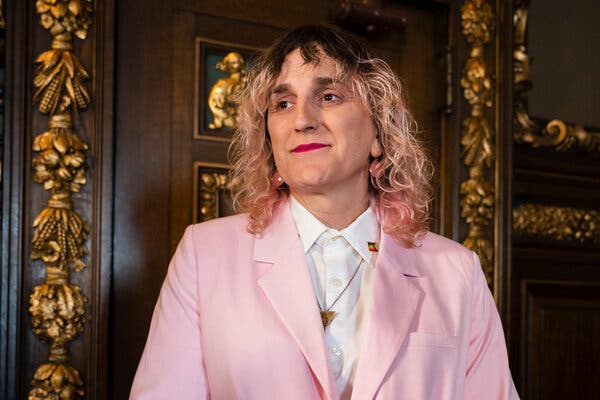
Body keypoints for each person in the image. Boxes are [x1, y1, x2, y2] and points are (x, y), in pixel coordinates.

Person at [130, 25, 519, 399]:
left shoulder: (457, 273)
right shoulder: (203, 257)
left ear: (379, 134)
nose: (302, 120)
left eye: (329, 96)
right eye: (283, 103)